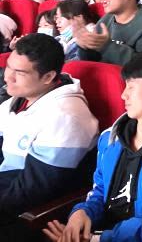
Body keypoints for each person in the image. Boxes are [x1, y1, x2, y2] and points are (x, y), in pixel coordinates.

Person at [43, 50, 142, 242]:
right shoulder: (110, 138)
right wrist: (83, 212)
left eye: (131, 87)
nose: (123, 95)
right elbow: (100, 191)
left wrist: (98, 239)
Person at [0, 34, 99, 223]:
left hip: (30, 212)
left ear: (48, 77)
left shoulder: (66, 117)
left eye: (20, 73)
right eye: (9, 67)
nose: (8, 77)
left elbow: (32, 191)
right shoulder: (17, 100)